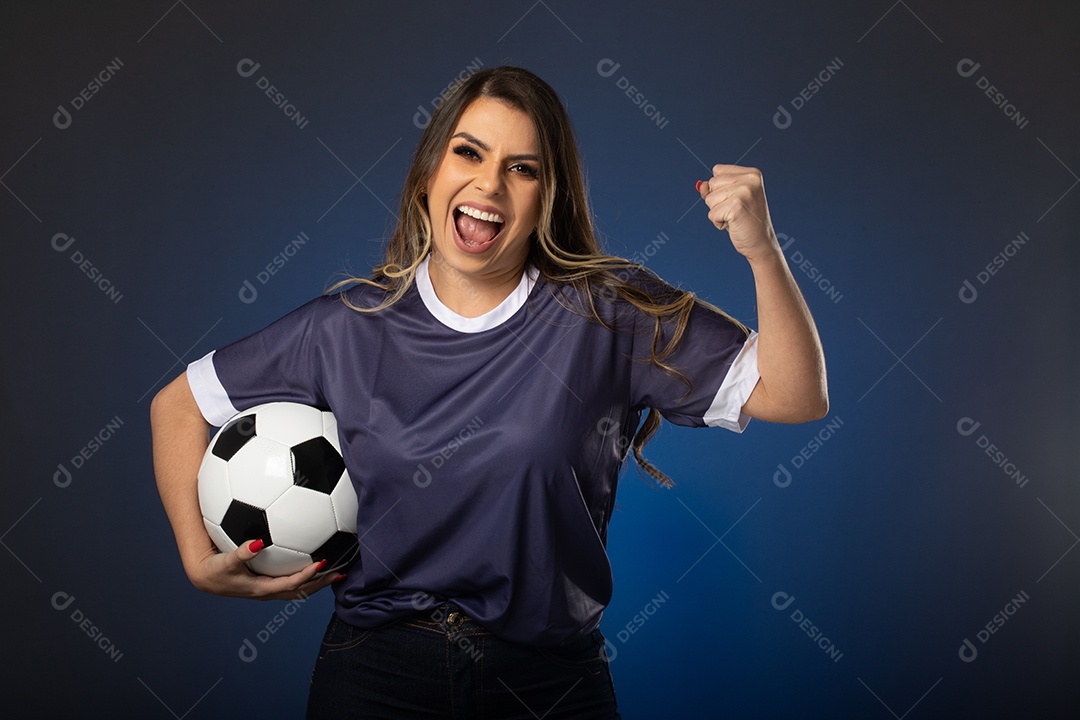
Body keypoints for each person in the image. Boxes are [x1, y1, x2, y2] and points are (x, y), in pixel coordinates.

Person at [151, 66, 827, 719]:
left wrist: (762, 249)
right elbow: (177, 407)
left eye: (522, 167)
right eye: (468, 152)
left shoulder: (608, 312)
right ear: (429, 173)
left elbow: (796, 396)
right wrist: (197, 559)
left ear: (547, 196)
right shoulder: (346, 326)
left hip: (551, 682)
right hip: (376, 677)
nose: (489, 183)